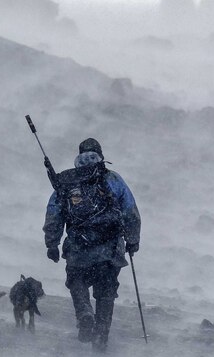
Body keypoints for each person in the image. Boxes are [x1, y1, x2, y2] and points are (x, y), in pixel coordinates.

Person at [43, 138, 141, 352]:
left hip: (79, 249)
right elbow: (130, 212)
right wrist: (133, 241)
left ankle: (85, 314)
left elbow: (54, 214)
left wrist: (52, 244)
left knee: (76, 281)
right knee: (106, 292)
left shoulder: (66, 182)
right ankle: (101, 338)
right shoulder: (114, 180)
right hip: (110, 251)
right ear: (101, 157)